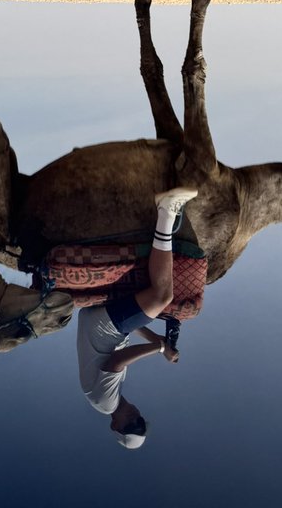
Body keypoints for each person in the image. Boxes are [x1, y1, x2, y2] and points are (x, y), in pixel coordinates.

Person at [76, 186, 198, 448]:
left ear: (115, 427)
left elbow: (118, 358)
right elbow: (128, 336)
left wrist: (159, 348)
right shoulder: (113, 395)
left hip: (104, 327)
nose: (136, 418)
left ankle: (166, 211)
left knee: (162, 296)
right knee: (152, 311)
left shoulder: (105, 403)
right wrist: (156, 337)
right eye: (141, 423)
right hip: (109, 328)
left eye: (131, 426)